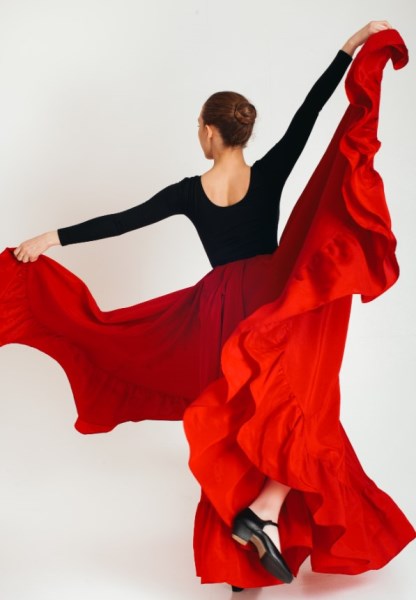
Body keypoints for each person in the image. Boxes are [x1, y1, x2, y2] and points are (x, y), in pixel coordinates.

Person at [7, 21, 415, 591]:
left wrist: (50, 238)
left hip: (217, 310)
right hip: (272, 303)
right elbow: (310, 115)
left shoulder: (187, 191)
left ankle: (248, 551)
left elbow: (121, 221)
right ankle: (260, 523)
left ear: (207, 132)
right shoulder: (269, 172)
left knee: (235, 424)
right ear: (240, 134)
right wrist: (347, 52)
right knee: (293, 415)